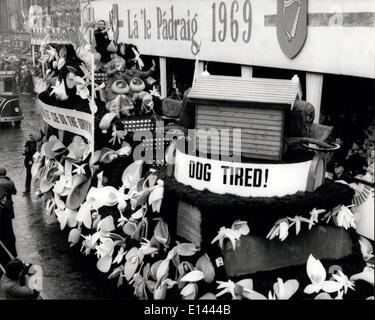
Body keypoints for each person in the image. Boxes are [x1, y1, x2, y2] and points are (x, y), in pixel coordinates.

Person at [0, 168, 17, 264]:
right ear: (5, 173)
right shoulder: (9, 182)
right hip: (8, 205)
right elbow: (15, 192)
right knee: (8, 225)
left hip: (1, 205)